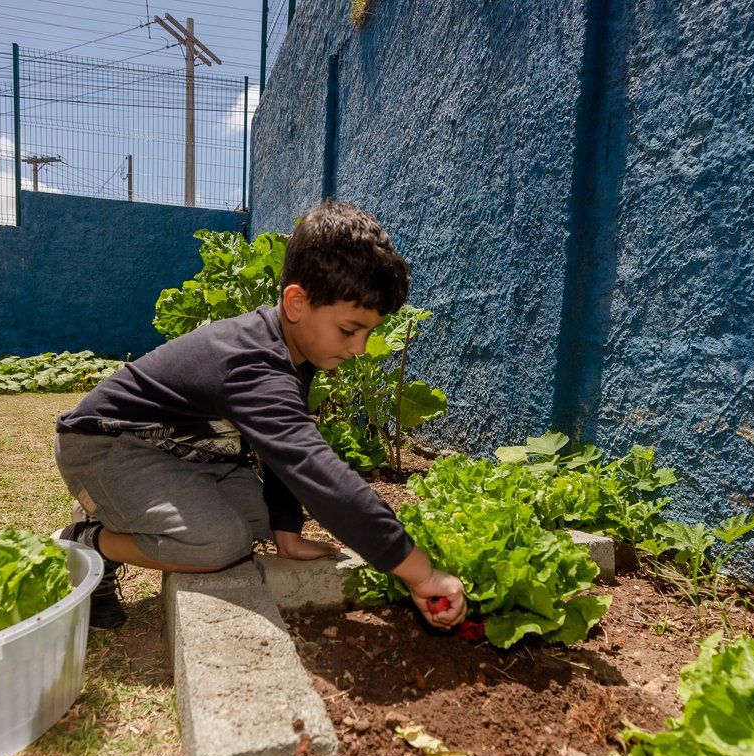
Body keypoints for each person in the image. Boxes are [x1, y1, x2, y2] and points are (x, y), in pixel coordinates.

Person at [53, 199, 467, 631]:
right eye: (349, 329)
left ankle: (157, 520)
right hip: (106, 446)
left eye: (368, 332)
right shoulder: (252, 364)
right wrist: (421, 570)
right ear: (296, 302)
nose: (359, 348)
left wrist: (286, 531)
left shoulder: (293, 352)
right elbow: (313, 469)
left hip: (188, 453)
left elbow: (280, 453)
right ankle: (88, 541)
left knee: (260, 520)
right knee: (220, 542)